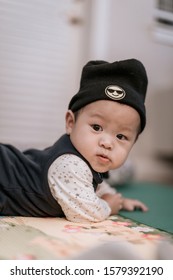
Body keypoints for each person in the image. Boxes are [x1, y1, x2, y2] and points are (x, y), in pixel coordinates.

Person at [0, 58, 148, 222]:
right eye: (96, 127)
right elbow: (84, 212)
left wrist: (118, 199)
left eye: (121, 136)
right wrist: (108, 205)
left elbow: (95, 185)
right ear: (71, 123)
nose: (107, 143)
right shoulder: (70, 164)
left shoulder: (87, 158)